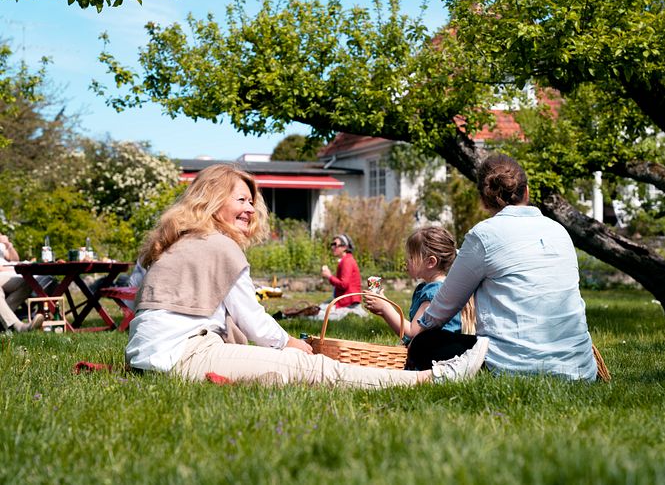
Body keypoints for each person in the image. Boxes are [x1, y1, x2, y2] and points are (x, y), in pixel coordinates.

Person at [125, 164, 489, 387]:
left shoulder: (173, 242)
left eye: (252, 201)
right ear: (211, 201)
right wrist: (289, 345)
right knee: (307, 367)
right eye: (241, 200)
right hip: (183, 356)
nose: (250, 209)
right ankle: (428, 379)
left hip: (147, 356)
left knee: (277, 365)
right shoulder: (221, 247)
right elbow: (253, 320)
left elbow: (140, 302)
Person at [415, 154, 598, 381]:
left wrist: (418, 331)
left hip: (512, 367)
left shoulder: (483, 236)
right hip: (579, 368)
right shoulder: (559, 231)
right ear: (527, 191)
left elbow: (444, 307)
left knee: (424, 345)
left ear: (483, 200)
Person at [364, 226, 478, 370]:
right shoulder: (429, 288)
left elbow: (412, 332)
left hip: (434, 360)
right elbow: (409, 334)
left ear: (431, 262)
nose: (407, 260)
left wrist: (385, 309)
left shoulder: (435, 292)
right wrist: (384, 307)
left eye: (412, 257)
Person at [0, 233, 44, 332]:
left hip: (7, 273)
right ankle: (20, 327)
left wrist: (8, 245)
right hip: (5, 271)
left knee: (28, 283)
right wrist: (13, 268)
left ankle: (3, 319)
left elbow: (15, 259)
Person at [316, 233, 366, 320]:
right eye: (332, 244)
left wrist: (329, 276)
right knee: (319, 309)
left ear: (345, 247)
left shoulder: (347, 261)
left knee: (318, 315)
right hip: (344, 300)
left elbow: (344, 284)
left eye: (335, 244)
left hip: (348, 303)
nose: (333, 247)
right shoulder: (345, 260)